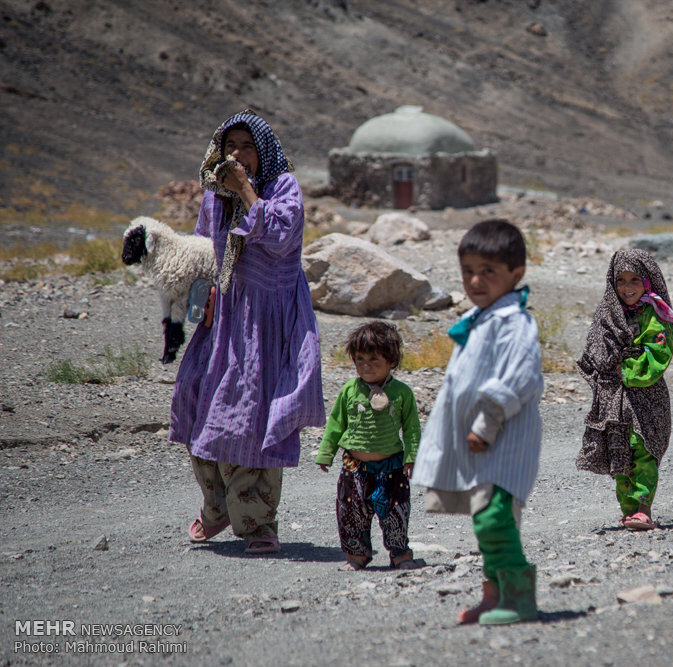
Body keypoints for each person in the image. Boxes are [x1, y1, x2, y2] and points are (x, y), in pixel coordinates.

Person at [170, 109, 326, 555]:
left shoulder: (282, 186)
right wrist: (201, 299)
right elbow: (203, 250)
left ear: (264, 152)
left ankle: (258, 524)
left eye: (247, 147)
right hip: (223, 317)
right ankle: (217, 506)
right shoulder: (214, 196)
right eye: (230, 147)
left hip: (266, 320)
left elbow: (280, 235)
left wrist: (246, 190)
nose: (237, 156)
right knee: (196, 399)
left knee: (249, 417)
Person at [412, 219, 543, 626]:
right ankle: (494, 595)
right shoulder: (482, 318)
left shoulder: (514, 322)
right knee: (485, 522)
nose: (475, 280)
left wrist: (486, 424)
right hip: (482, 445)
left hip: (503, 441)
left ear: (516, 274)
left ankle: (519, 598)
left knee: (495, 517)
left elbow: (519, 378)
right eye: (468, 270)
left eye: (488, 271)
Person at [577, 248, 673, 531]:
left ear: (647, 281)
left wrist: (626, 369)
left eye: (635, 280)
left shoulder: (655, 313)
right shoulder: (608, 312)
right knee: (620, 449)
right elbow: (595, 348)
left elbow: (659, 354)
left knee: (643, 449)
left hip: (647, 395)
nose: (627, 287)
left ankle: (643, 509)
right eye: (620, 280)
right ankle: (629, 510)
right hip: (613, 396)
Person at [316, 322, 421, 571]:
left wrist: (412, 457)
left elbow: (412, 428)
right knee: (351, 512)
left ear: (392, 361)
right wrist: (326, 453)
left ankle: (400, 554)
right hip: (354, 467)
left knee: (395, 512)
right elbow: (336, 423)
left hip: (392, 468)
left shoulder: (402, 393)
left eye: (374, 359)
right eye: (360, 359)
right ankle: (357, 555)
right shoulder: (349, 390)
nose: (366, 365)